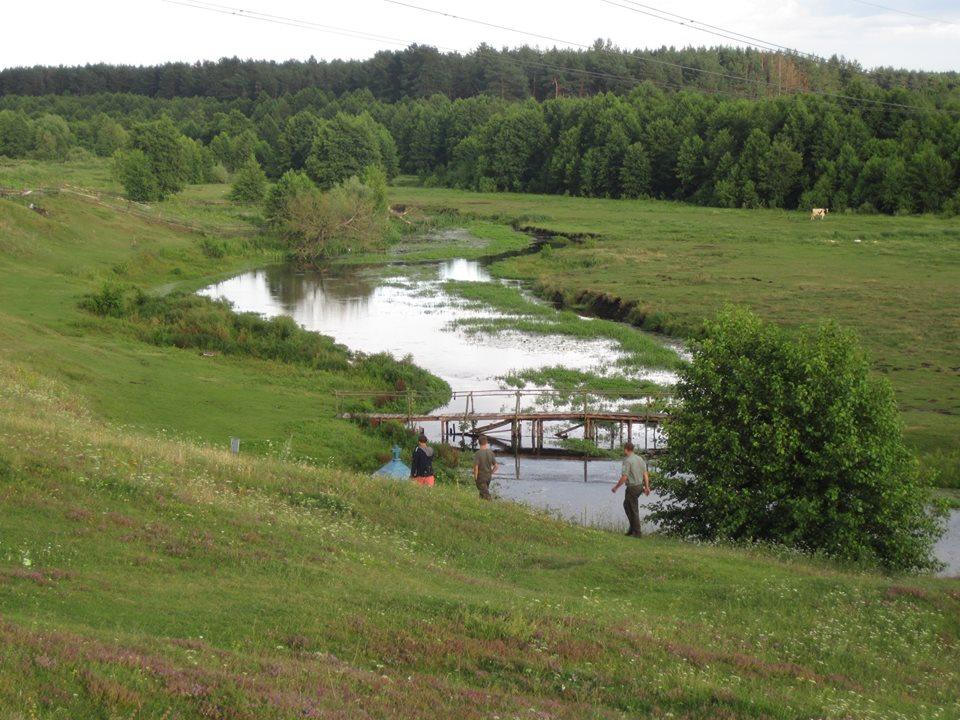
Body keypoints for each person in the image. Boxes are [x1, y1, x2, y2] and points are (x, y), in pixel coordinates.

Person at [611, 441, 650, 537]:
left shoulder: (627, 460)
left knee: (633, 509)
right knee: (627, 505)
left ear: (626, 449)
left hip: (632, 487)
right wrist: (647, 487)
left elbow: (624, 477)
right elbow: (645, 474)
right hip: (640, 486)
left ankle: (637, 532)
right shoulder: (640, 459)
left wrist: (616, 487)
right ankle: (632, 529)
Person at [472, 435, 499, 500]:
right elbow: (496, 466)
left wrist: (475, 477)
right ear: (486, 442)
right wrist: (491, 473)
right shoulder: (491, 452)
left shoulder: (477, 454)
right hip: (488, 477)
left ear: (479, 443)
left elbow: (476, 467)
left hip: (481, 477)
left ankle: (490, 505)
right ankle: (482, 506)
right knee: (482, 493)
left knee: (485, 494)